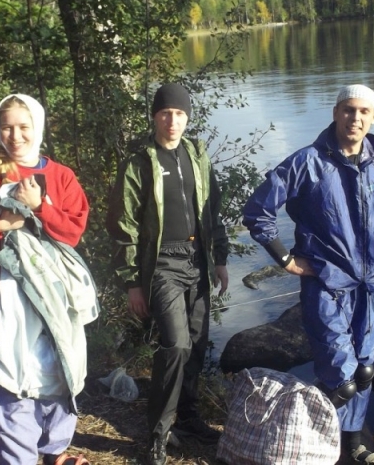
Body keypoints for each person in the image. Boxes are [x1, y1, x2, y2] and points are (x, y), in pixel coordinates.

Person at [242, 84, 374, 465]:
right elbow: (258, 211)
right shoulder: (308, 162)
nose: (356, 118)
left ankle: (351, 445)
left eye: (364, 112)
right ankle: (298, 438)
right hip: (327, 285)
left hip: (368, 287)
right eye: (349, 110)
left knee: (365, 370)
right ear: (336, 113)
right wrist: (286, 260)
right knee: (342, 378)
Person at [0, 94, 92, 465]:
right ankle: (17, 458)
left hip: (53, 295)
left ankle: (53, 450)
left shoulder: (61, 176)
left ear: (37, 127)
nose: (15, 135)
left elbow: (72, 232)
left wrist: (42, 206)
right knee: (8, 380)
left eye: (23, 126)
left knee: (59, 368)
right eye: (7, 126)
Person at [106, 83, 230, 465]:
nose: (172, 121)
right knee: (175, 344)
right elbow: (122, 225)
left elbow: (213, 212)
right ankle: (158, 434)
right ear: (154, 117)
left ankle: (189, 417)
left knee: (195, 342)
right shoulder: (140, 162)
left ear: (187, 117)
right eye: (165, 113)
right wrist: (131, 283)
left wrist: (220, 259)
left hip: (198, 261)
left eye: (179, 114)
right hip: (162, 266)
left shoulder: (197, 155)